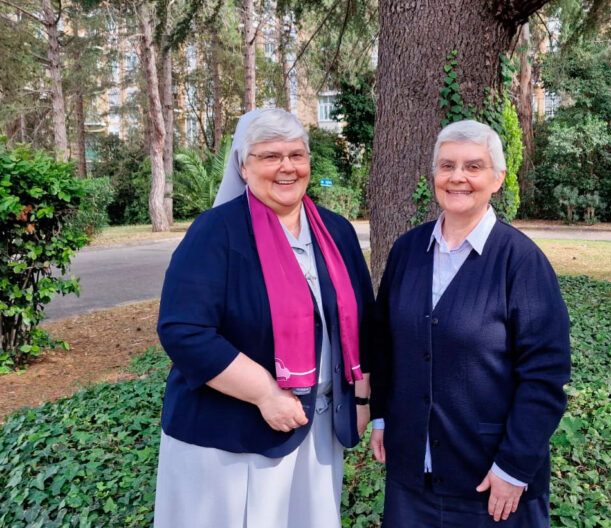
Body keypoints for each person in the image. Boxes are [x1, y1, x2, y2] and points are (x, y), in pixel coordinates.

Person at [154, 108, 374, 528]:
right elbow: (184, 331)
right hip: (230, 439)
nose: (287, 167)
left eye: (297, 155)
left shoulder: (336, 231)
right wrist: (265, 395)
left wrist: (360, 398)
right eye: (270, 156)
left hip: (316, 430)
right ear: (243, 165)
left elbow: (361, 321)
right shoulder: (215, 232)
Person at [369, 119, 571, 527]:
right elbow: (384, 342)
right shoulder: (408, 250)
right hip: (411, 481)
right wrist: (381, 417)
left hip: (491, 484)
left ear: (497, 179)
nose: (457, 177)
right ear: (434, 176)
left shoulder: (522, 262)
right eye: (447, 166)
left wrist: (513, 468)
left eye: (473, 166)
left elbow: (545, 376)